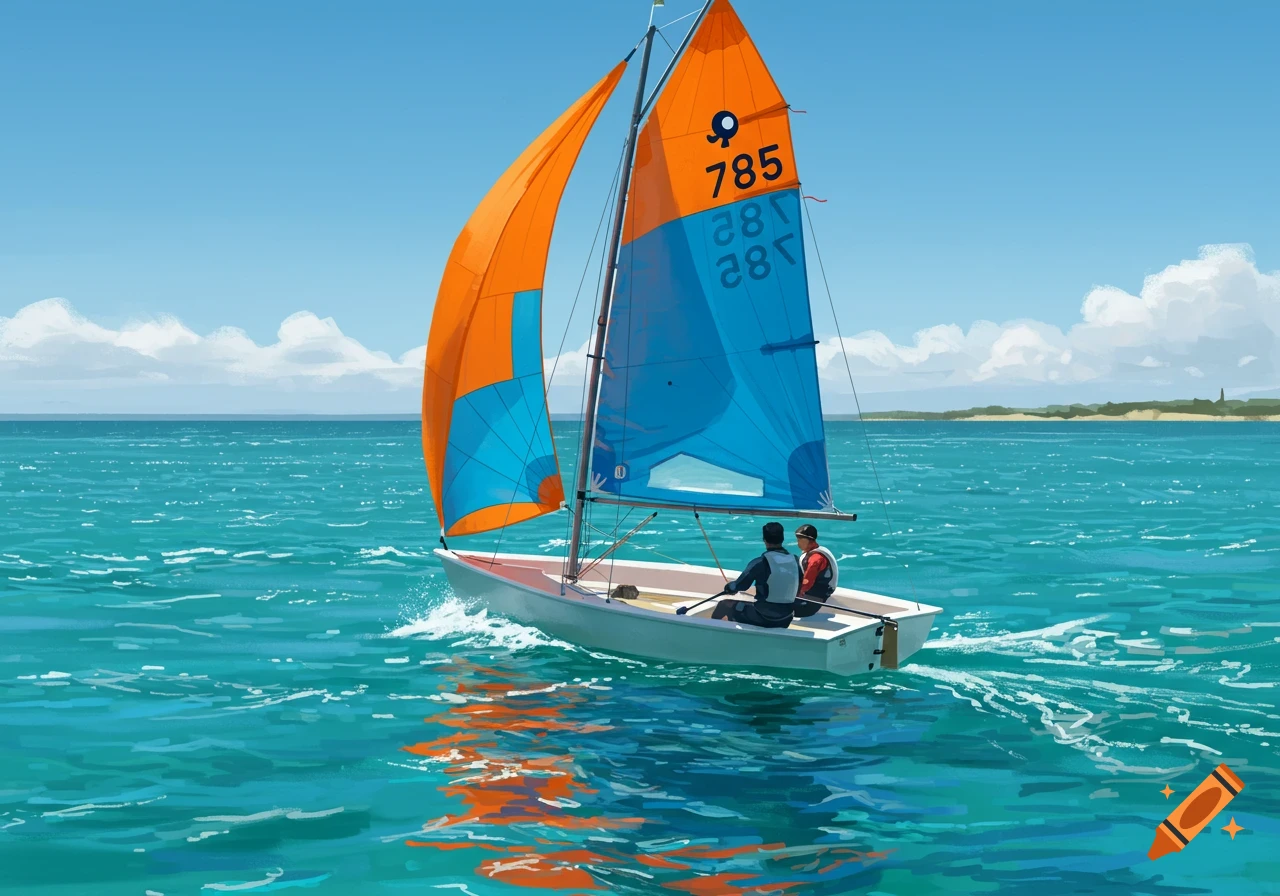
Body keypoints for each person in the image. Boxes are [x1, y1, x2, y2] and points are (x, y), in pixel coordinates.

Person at [710, 522, 800, 628]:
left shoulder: (760, 562)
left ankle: (712, 632)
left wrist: (729, 587)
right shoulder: (795, 561)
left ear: (764, 540)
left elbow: (740, 586)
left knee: (724, 605)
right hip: (786, 618)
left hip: (764, 617)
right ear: (782, 539)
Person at [793, 523, 839, 618]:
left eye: (800, 540)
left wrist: (796, 594)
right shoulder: (817, 550)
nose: (798, 543)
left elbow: (807, 582)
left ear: (809, 540)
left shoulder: (815, 559)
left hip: (811, 602)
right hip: (818, 593)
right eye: (797, 540)